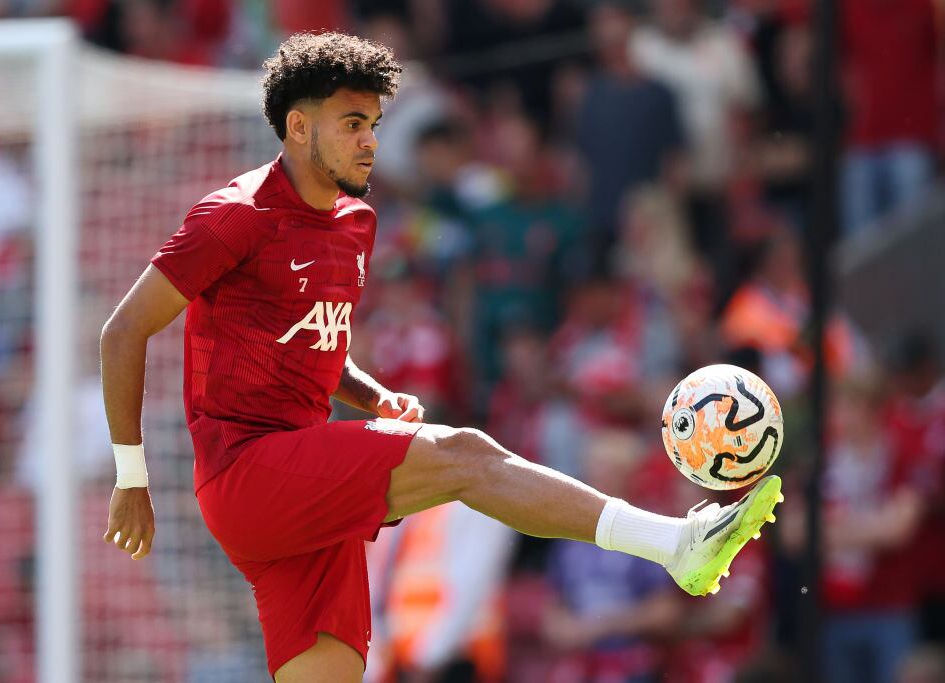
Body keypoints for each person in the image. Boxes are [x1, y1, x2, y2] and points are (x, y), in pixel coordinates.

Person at [99, 32, 782, 683]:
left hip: (303, 482)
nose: (371, 140)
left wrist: (372, 398)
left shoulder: (355, 224)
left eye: (373, 122)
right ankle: (674, 543)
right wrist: (132, 477)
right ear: (299, 128)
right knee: (465, 454)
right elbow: (123, 331)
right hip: (248, 471)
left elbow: (307, 347)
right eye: (352, 123)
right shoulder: (234, 216)